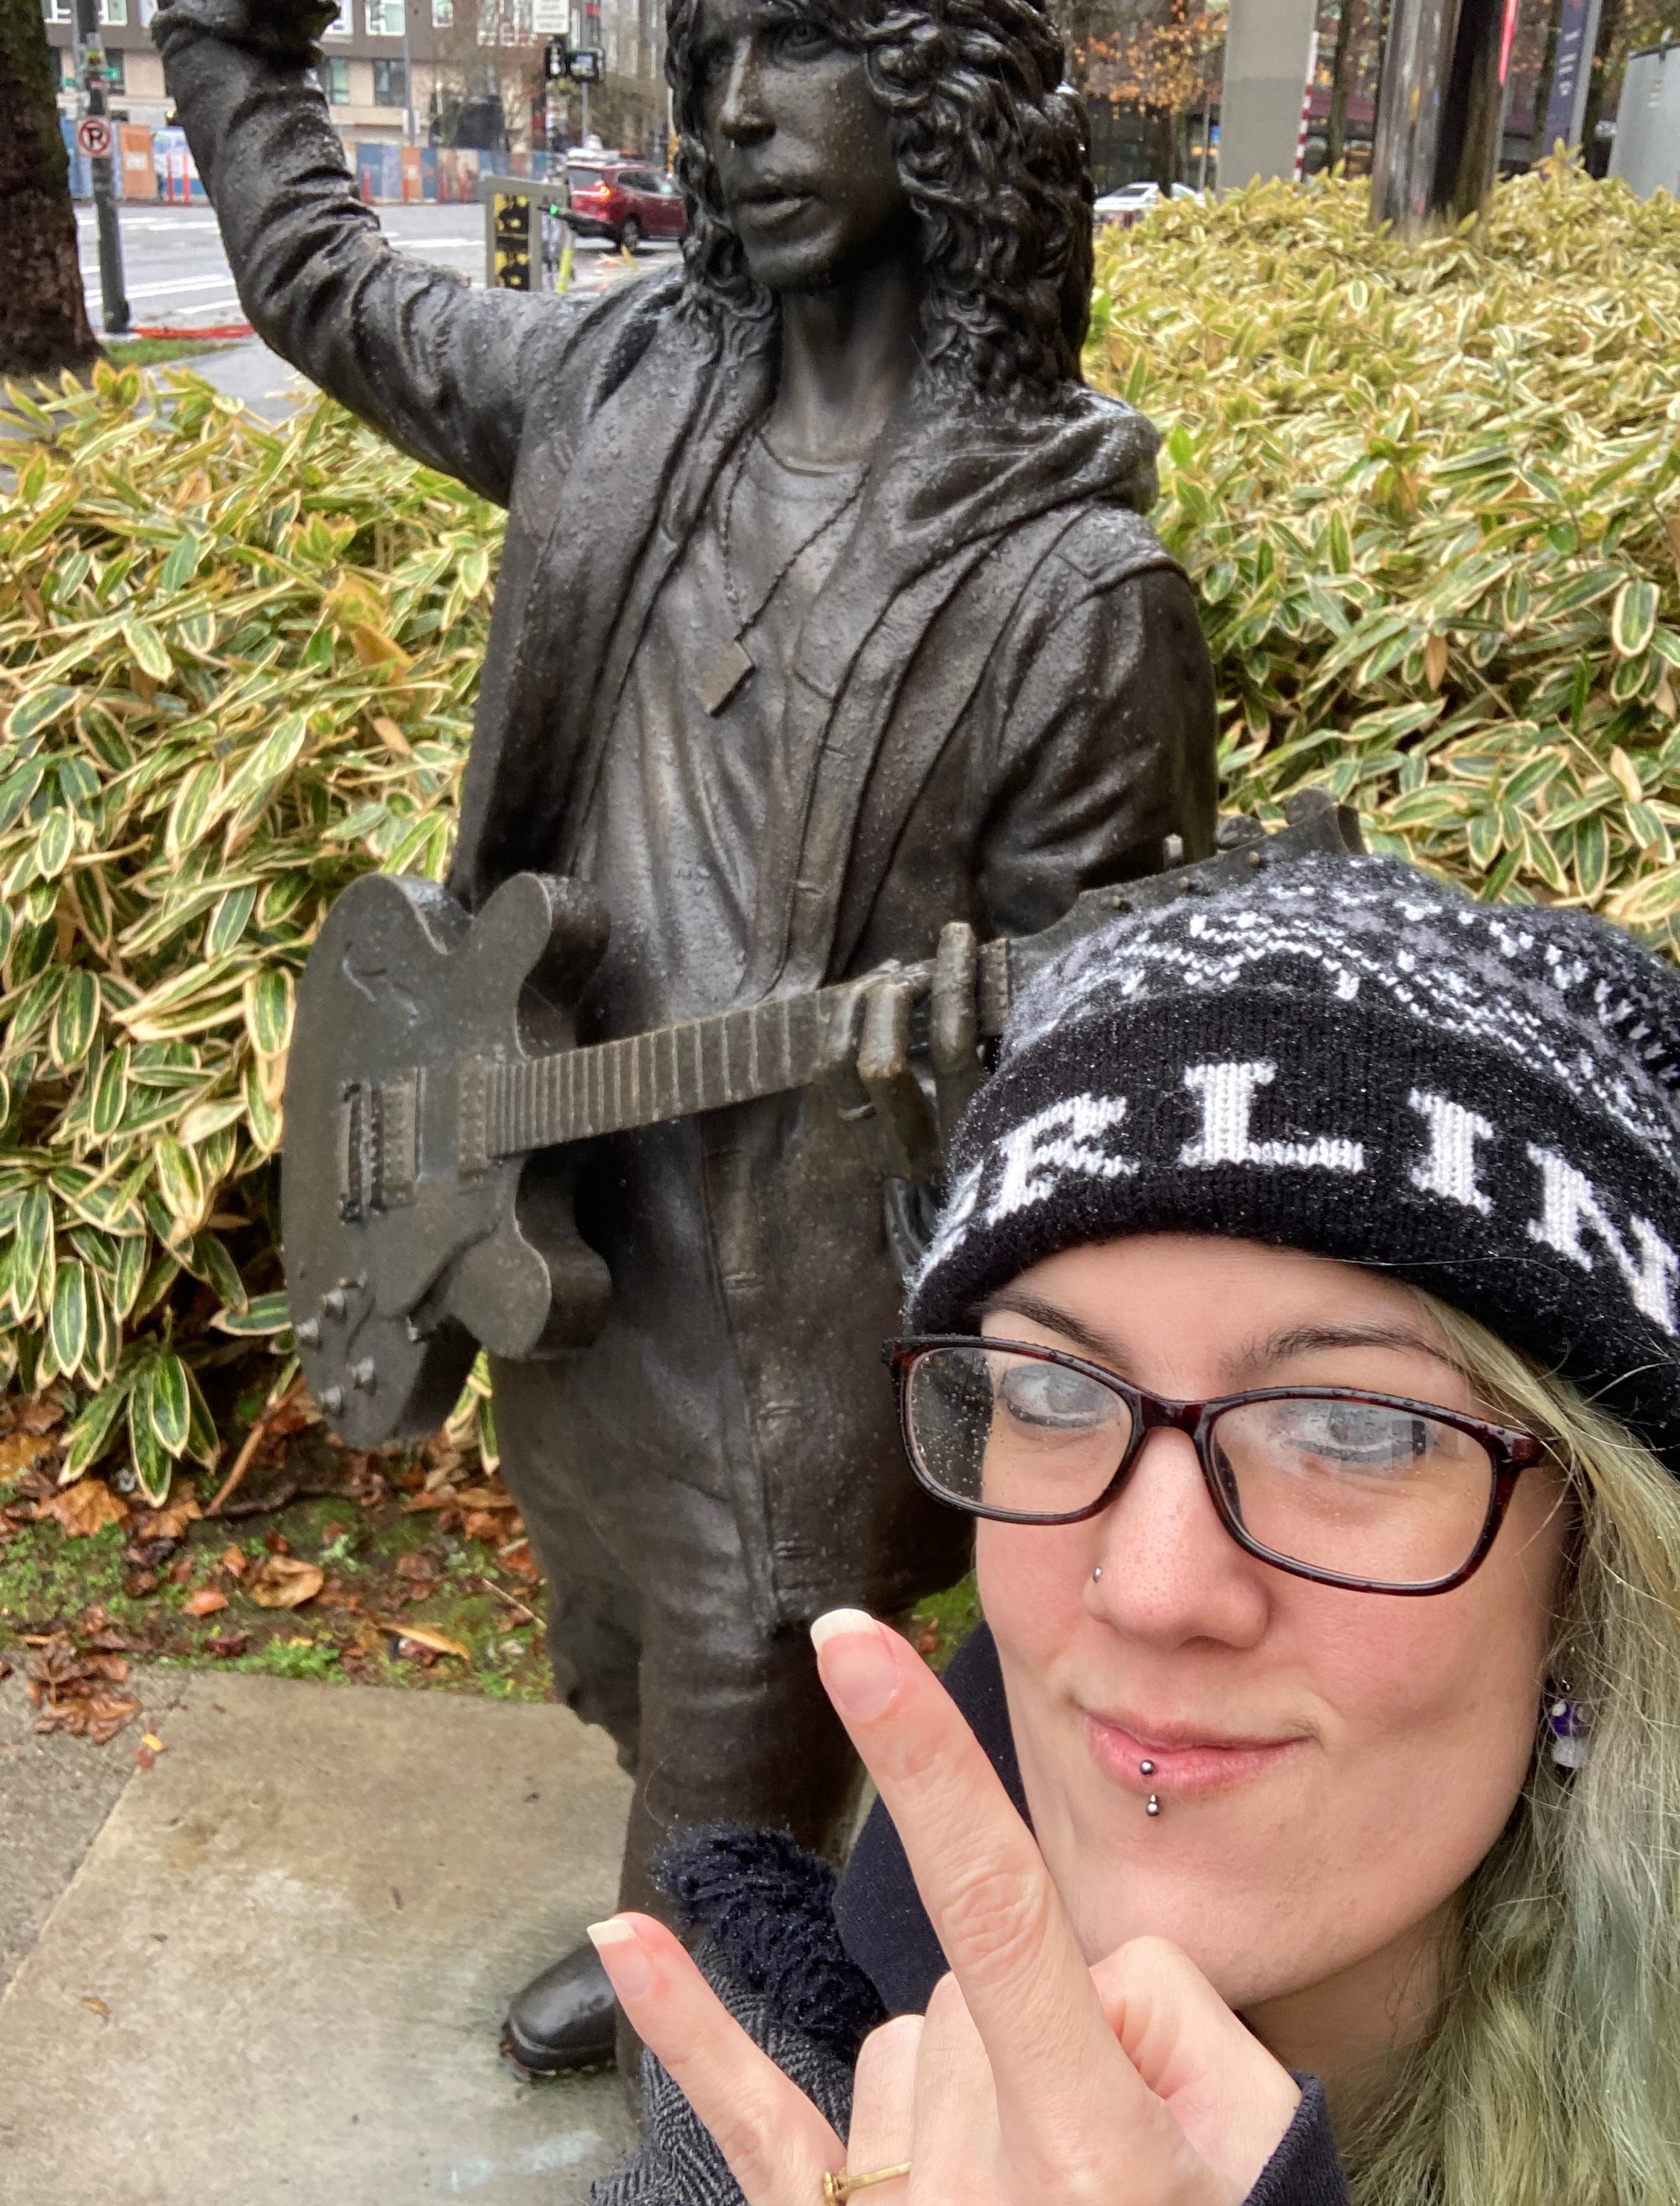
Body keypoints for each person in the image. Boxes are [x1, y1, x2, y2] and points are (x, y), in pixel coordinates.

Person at [151, 0, 1217, 2074]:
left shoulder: (1078, 598)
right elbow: (333, 288)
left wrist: (959, 1083)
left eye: (796, 54)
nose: (733, 110)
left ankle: (721, 2017)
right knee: (635, 1656)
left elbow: (1113, 1055)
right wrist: (226, 42)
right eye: (711, 60)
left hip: (808, 1289)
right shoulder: (622, 390)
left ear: (944, 112)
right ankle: (696, 1922)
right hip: (568, 1190)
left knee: (754, 1674)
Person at [581, 850, 1680, 2205]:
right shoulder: (785, 2116)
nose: (1152, 1589)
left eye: (1354, 1427)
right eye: (1051, 1390)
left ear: (1595, 1572)